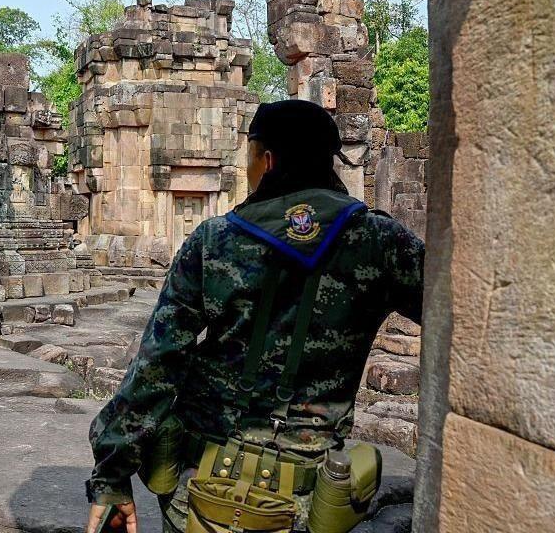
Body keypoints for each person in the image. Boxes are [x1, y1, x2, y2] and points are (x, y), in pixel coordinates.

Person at [83, 99, 424, 533]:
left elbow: (157, 365)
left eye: (247, 159)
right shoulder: (381, 241)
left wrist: (112, 473)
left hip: (201, 489)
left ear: (267, 160)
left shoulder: (214, 240)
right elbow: (464, 320)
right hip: (310, 501)